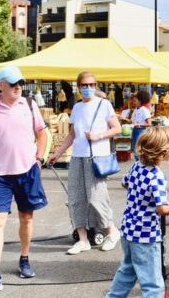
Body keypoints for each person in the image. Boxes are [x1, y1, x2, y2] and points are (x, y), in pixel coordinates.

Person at [0, 65, 49, 295]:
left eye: (20, 84)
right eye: (13, 84)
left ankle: (24, 258)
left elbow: (42, 133)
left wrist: (39, 158)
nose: (18, 88)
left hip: (26, 172)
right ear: (1, 85)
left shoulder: (29, 105)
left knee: (26, 218)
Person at [49, 71, 122, 255]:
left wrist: (99, 135)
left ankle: (112, 232)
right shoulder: (77, 108)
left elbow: (117, 128)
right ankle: (83, 240)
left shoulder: (104, 104)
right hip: (78, 157)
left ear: (96, 86)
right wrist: (57, 153)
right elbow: (73, 135)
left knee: (97, 197)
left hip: (97, 157)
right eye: (84, 85)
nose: (88, 88)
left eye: (92, 85)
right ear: (79, 87)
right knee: (76, 198)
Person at [106, 127, 169, 298]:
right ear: (163, 152)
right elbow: (161, 208)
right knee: (153, 283)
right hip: (146, 235)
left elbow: (125, 183)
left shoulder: (137, 167)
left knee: (128, 270)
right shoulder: (156, 176)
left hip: (129, 229)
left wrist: (140, 193)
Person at [130, 90, 152, 161]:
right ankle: (138, 163)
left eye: (135, 101)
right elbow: (133, 121)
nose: (133, 103)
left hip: (141, 131)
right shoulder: (136, 109)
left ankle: (141, 164)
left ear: (140, 101)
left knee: (138, 150)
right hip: (135, 130)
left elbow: (149, 123)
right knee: (136, 149)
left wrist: (138, 124)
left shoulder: (144, 110)